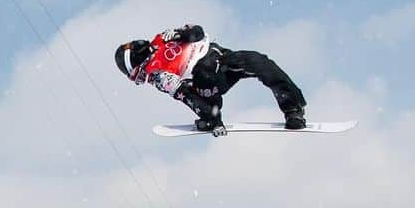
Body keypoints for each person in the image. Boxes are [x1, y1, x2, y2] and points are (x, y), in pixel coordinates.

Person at [115, 23, 306, 135]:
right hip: (206, 78)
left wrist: (183, 34)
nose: (143, 77)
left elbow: (197, 31)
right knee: (206, 75)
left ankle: (293, 109)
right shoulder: (159, 76)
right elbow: (185, 95)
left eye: (138, 74)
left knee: (258, 61)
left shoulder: (162, 38)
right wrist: (212, 118)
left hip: (220, 57)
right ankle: (211, 115)